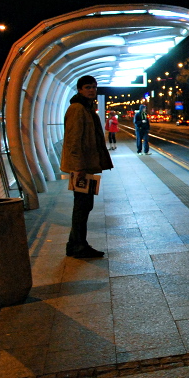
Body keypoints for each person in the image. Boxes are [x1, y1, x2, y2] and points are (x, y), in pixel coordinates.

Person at [59, 75, 112, 258]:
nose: (92, 90)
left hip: (86, 166)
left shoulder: (86, 108)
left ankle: (74, 244)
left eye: (94, 87)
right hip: (81, 168)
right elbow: (73, 140)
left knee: (84, 206)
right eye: (88, 87)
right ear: (79, 89)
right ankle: (79, 245)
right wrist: (78, 167)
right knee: (81, 207)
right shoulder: (77, 109)